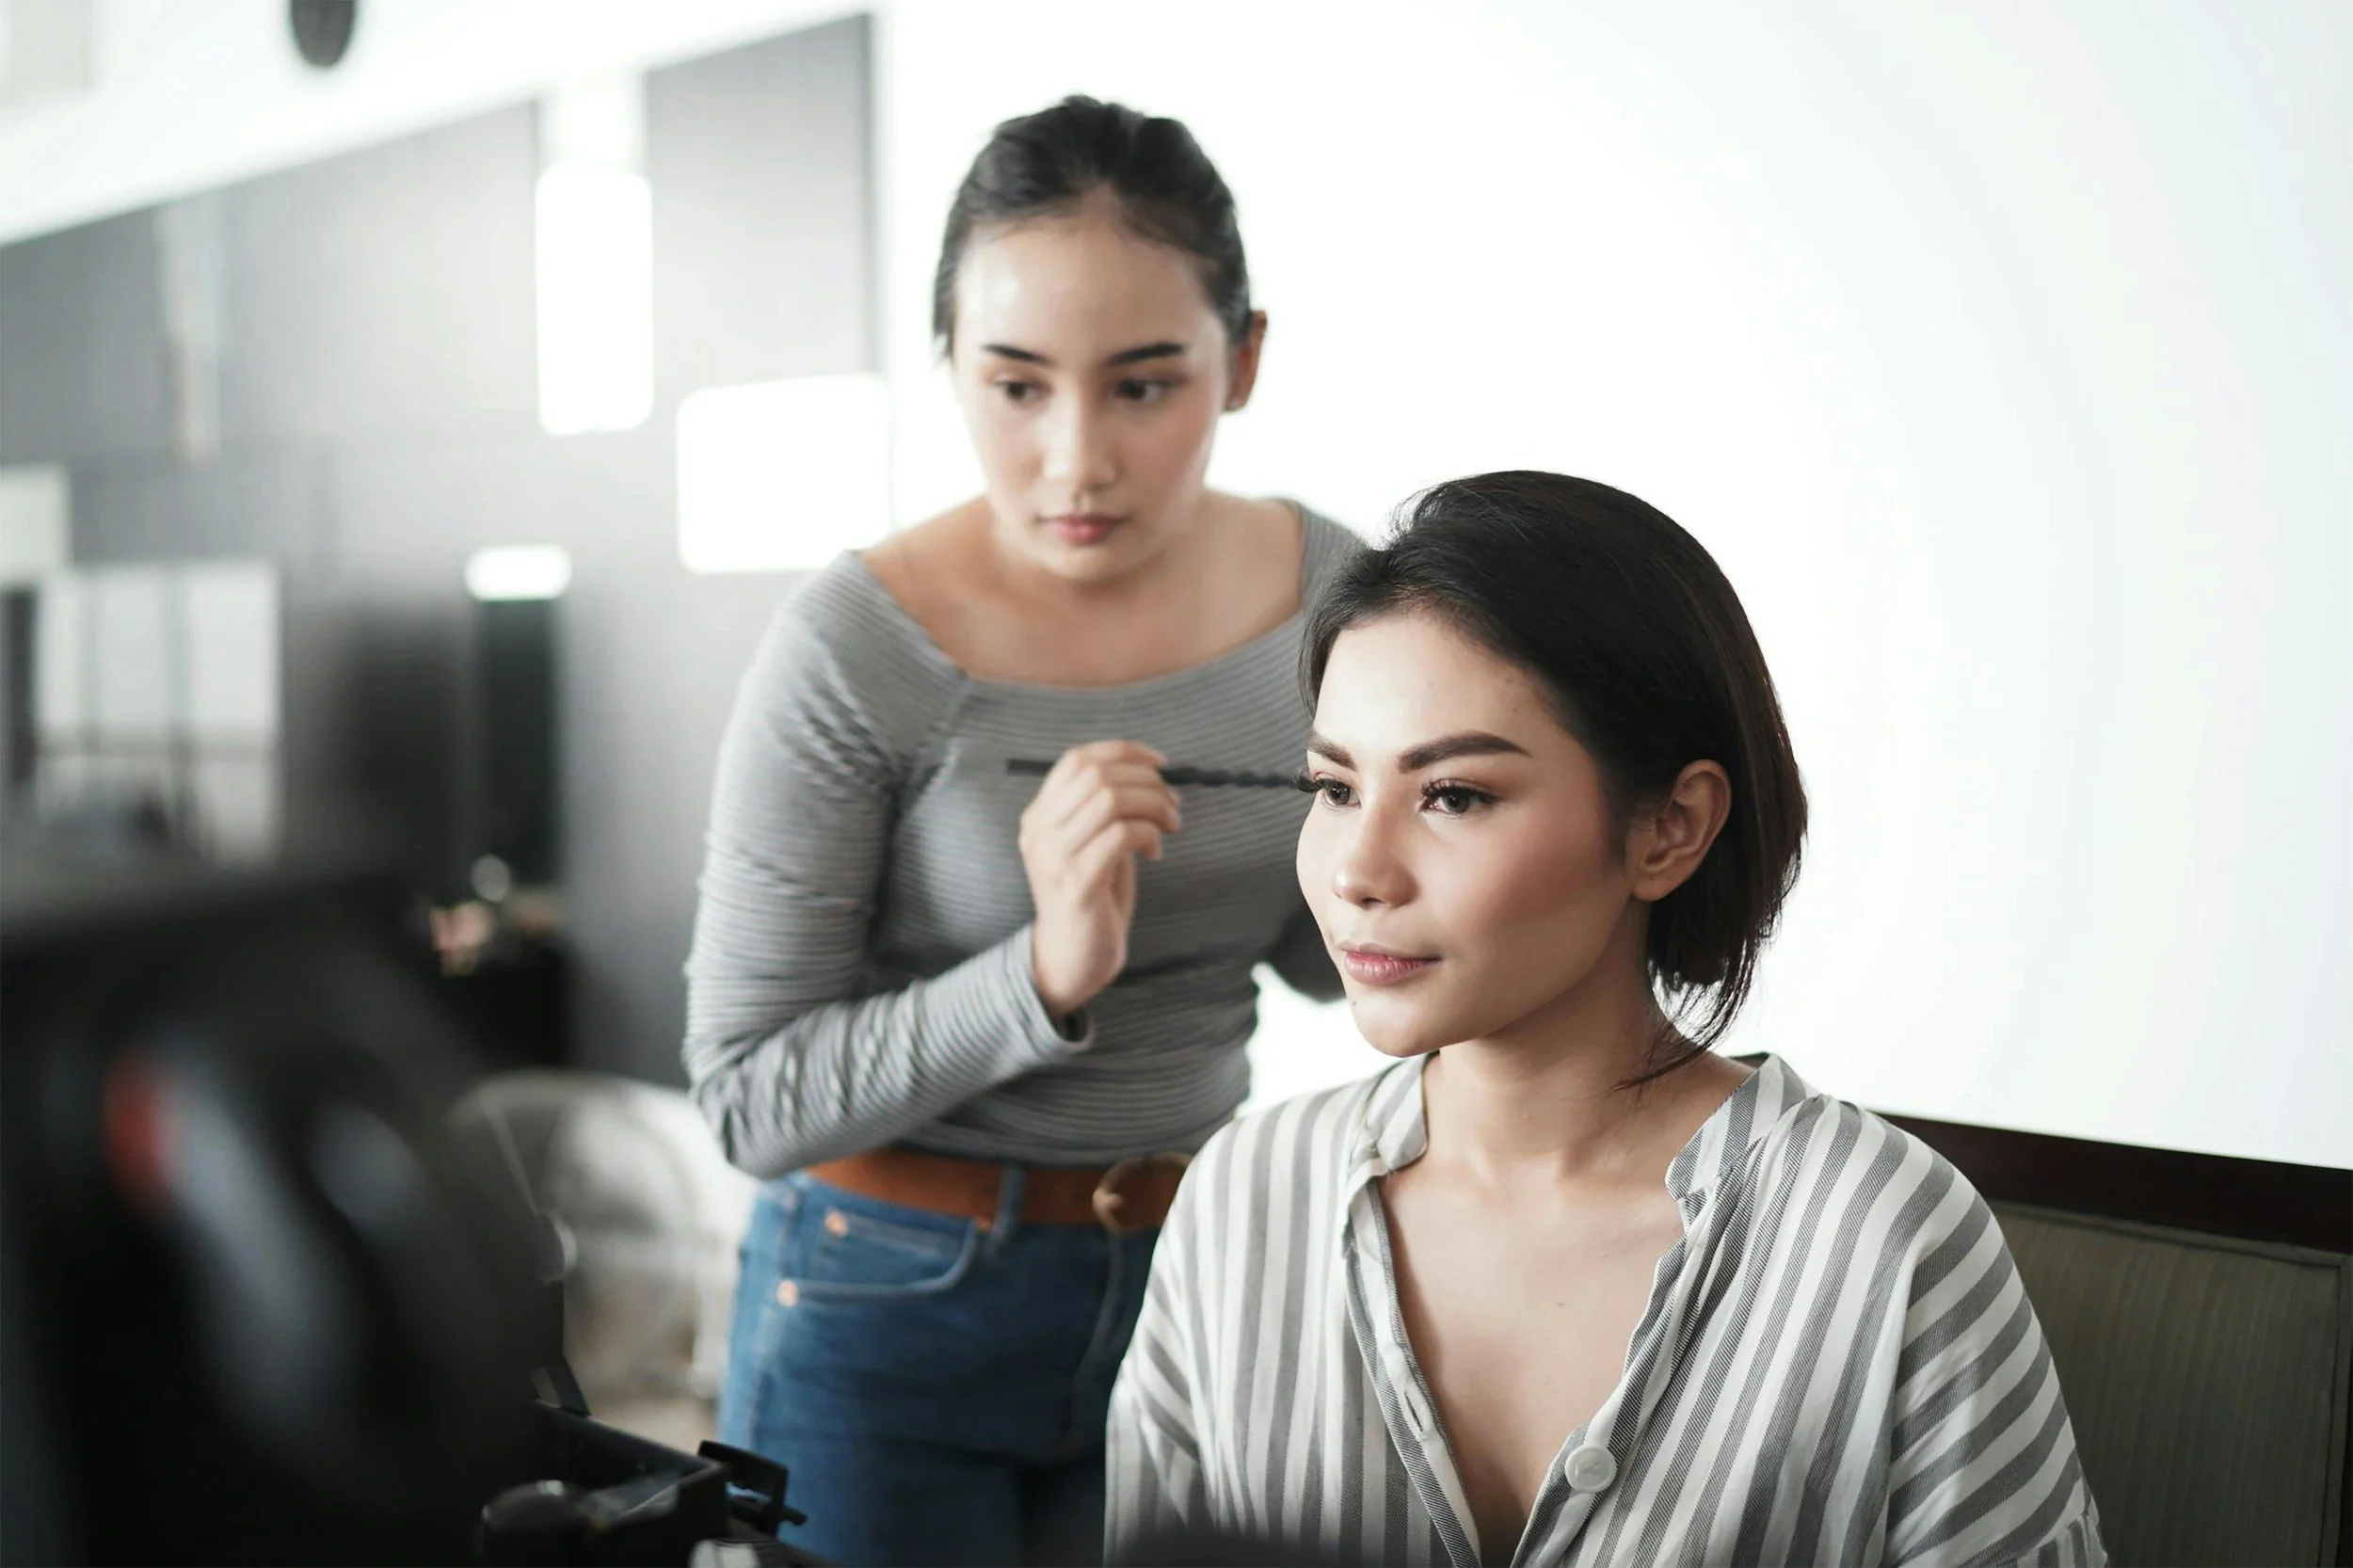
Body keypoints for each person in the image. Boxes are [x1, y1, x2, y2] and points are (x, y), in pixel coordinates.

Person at [1105, 472, 2105, 1567]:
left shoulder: (1882, 1240)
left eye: (1453, 795)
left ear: (1671, 827)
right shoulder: (1244, 1199)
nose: (1357, 871)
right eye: (1333, 788)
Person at [682, 97, 1357, 1567]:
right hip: (881, 1309)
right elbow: (746, 1099)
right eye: (1015, 385)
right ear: (947, 364)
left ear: (1243, 361)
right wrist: (1041, 977)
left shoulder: (1335, 602)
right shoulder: (857, 647)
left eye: (1143, 385)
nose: (1074, 462)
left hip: (1203, 1283)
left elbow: (1334, 958)